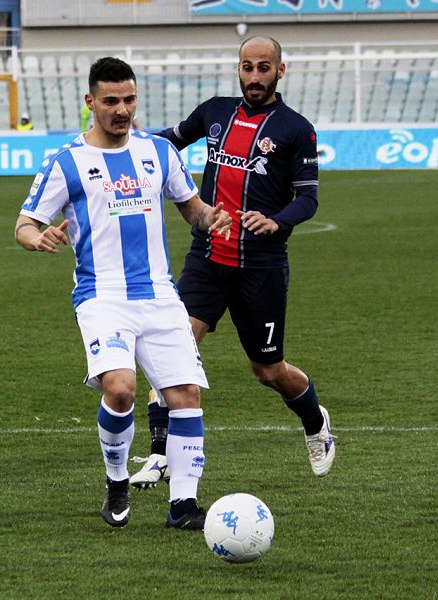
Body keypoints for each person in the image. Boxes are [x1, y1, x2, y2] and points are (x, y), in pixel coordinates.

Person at [14, 57, 232, 530]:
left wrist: (210, 217)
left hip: (159, 293)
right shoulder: (66, 161)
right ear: (90, 102)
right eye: (111, 101)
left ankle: (183, 507)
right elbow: (24, 224)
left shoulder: (159, 152)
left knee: (186, 394)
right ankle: (116, 480)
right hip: (102, 294)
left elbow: (192, 208)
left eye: (129, 100)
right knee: (120, 387)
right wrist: (38, 238)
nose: (122, 110)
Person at [129, 35, 335, 490]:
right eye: (247, 67)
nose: (254, 76)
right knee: (172, 350)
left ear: (280, 71)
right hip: (206, 258)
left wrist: (277, 221)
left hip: (261, 267)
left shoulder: (296, 129)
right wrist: (123, 141)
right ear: (238, 68)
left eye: (264, 68)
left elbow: (308, 198)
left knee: (268, 370)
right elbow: (167, 143)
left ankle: (314, 420)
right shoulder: (214, 112)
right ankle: (161, 454)